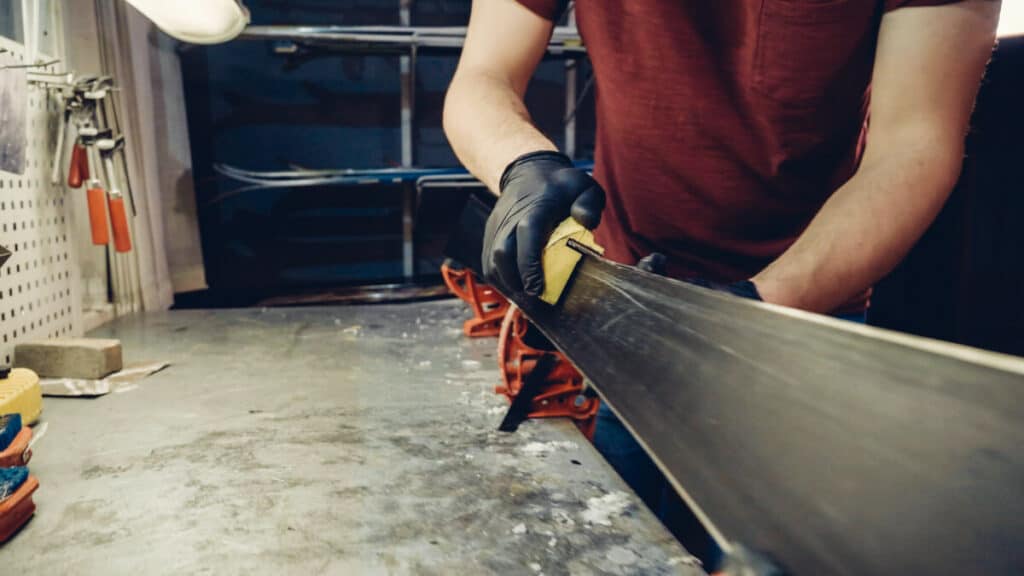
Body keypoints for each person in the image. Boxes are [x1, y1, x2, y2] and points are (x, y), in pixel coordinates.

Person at [443, 0, 1001, 567]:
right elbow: (483, 75)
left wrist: (759, 301)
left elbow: (914, 147)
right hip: (627, 312)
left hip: (800, 322)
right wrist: (522, 165)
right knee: (618, 546)